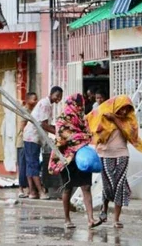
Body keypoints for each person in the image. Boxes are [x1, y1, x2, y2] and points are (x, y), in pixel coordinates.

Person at [86, 95, 142, 228]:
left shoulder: (128, 121)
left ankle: (116, 219)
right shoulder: (103, 115)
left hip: (122, 154)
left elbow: (130, 134)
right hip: (104, 154)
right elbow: (90, 124)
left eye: (127, 109)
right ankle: (104, 209)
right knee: (108, 185)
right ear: (116, 106)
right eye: (122, 108)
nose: (124, 112)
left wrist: (115, 119)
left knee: (119, 184)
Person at [48, 93, 103, 229]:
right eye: (78, 105)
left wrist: (83, 137)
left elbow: (88, 134)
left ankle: (91, 219)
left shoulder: (81, 119)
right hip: (66, 159)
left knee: (86, 187)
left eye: (81, 105)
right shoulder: (62, 118)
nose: (80, 108)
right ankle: (67, 219)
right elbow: (63, 136)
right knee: (68, 188)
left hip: (82, 158)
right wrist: (81, 137)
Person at [23, 86, 63, 199]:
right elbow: (44, 125)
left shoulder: (46, 103)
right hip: (32, 137)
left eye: (60, 97)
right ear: (51, 94)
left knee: (31, 164)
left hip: (33, 137)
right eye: (57, 96)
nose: (58, 99)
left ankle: (32, 191)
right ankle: (40, 192)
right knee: (33, 165)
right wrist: (58, 133)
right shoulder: (45, 104)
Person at [16, 92, 38, 198]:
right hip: (23, 142)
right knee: (23, 166)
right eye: (34, 99)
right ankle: (21, 188)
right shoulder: (24, 111)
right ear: (28, 100)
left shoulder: (33, 111)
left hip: (30, 141)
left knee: (28, 165)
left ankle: (29, 189)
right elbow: (22, 127)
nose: (36, 101)